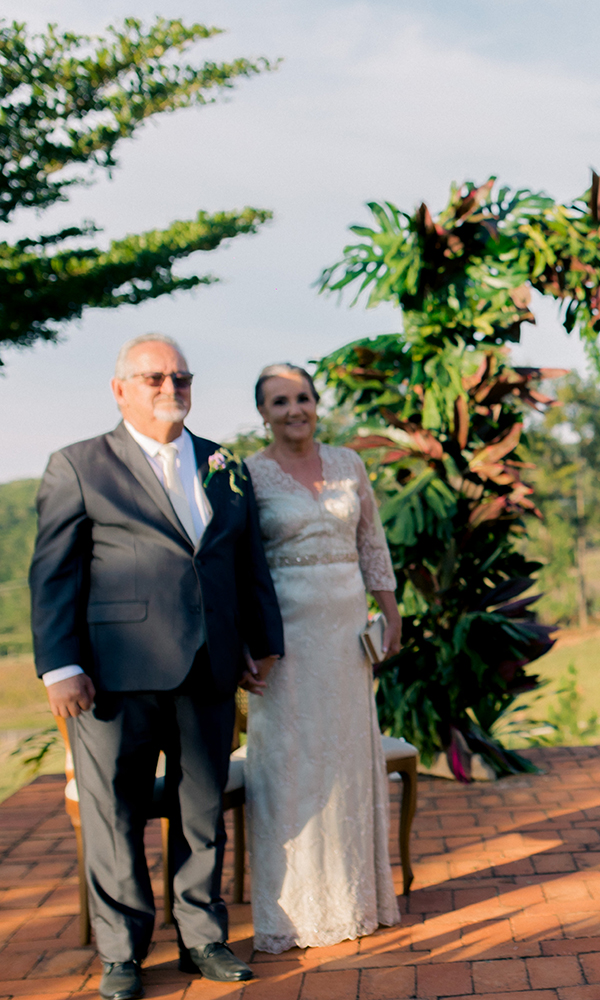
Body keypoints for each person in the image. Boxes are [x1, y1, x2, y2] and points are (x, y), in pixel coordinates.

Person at [30, 334, 284, 1000]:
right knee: (113, 816)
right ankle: (122, 954)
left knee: (200, 811)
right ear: (120, 390)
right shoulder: (78, 465)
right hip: (112, 676)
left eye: (181, 377)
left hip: (209, 667)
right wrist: (59, 666)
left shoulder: (224, 464)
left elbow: (245, 561)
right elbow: (53, 574)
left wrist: (261, 642)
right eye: (153, 379)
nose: (170, 388)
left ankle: (202, 939)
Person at [240, 363, 402, 953]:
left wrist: (389, 607)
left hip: (344, 635)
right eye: (279, 401)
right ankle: (296, 909)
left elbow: (371, 542)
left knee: (346, 760)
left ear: (316, 403)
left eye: (302, 397)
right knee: (291, 763)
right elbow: (239, 565)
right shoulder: (249, 475)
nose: (294, 409)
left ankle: (360, 899)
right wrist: (247, 643)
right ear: (263, 412)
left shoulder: (348, 464)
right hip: (283, 638)